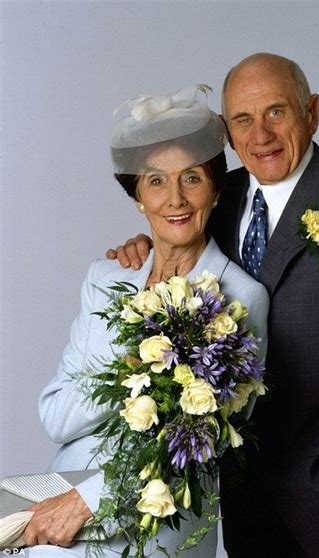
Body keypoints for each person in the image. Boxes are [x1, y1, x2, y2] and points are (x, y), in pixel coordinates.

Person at [108, 53, 319, 558]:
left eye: (276, 113)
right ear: (225, 129)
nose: (259, 135)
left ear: (313, 112)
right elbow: (182, 245)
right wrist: (143, 247)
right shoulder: (217, 199)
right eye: (243, 119)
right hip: (241, 491)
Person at [23, 85, 269, 557]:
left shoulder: (241, 297)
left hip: (159, 521)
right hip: (59, 505)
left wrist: (90, 500)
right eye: (156, 180)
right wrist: (131, 367)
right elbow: (55, 417)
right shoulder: (105, 277)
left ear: (216, 189)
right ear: (137, 195)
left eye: (192, 178)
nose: (174, 199)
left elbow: (206, 447)